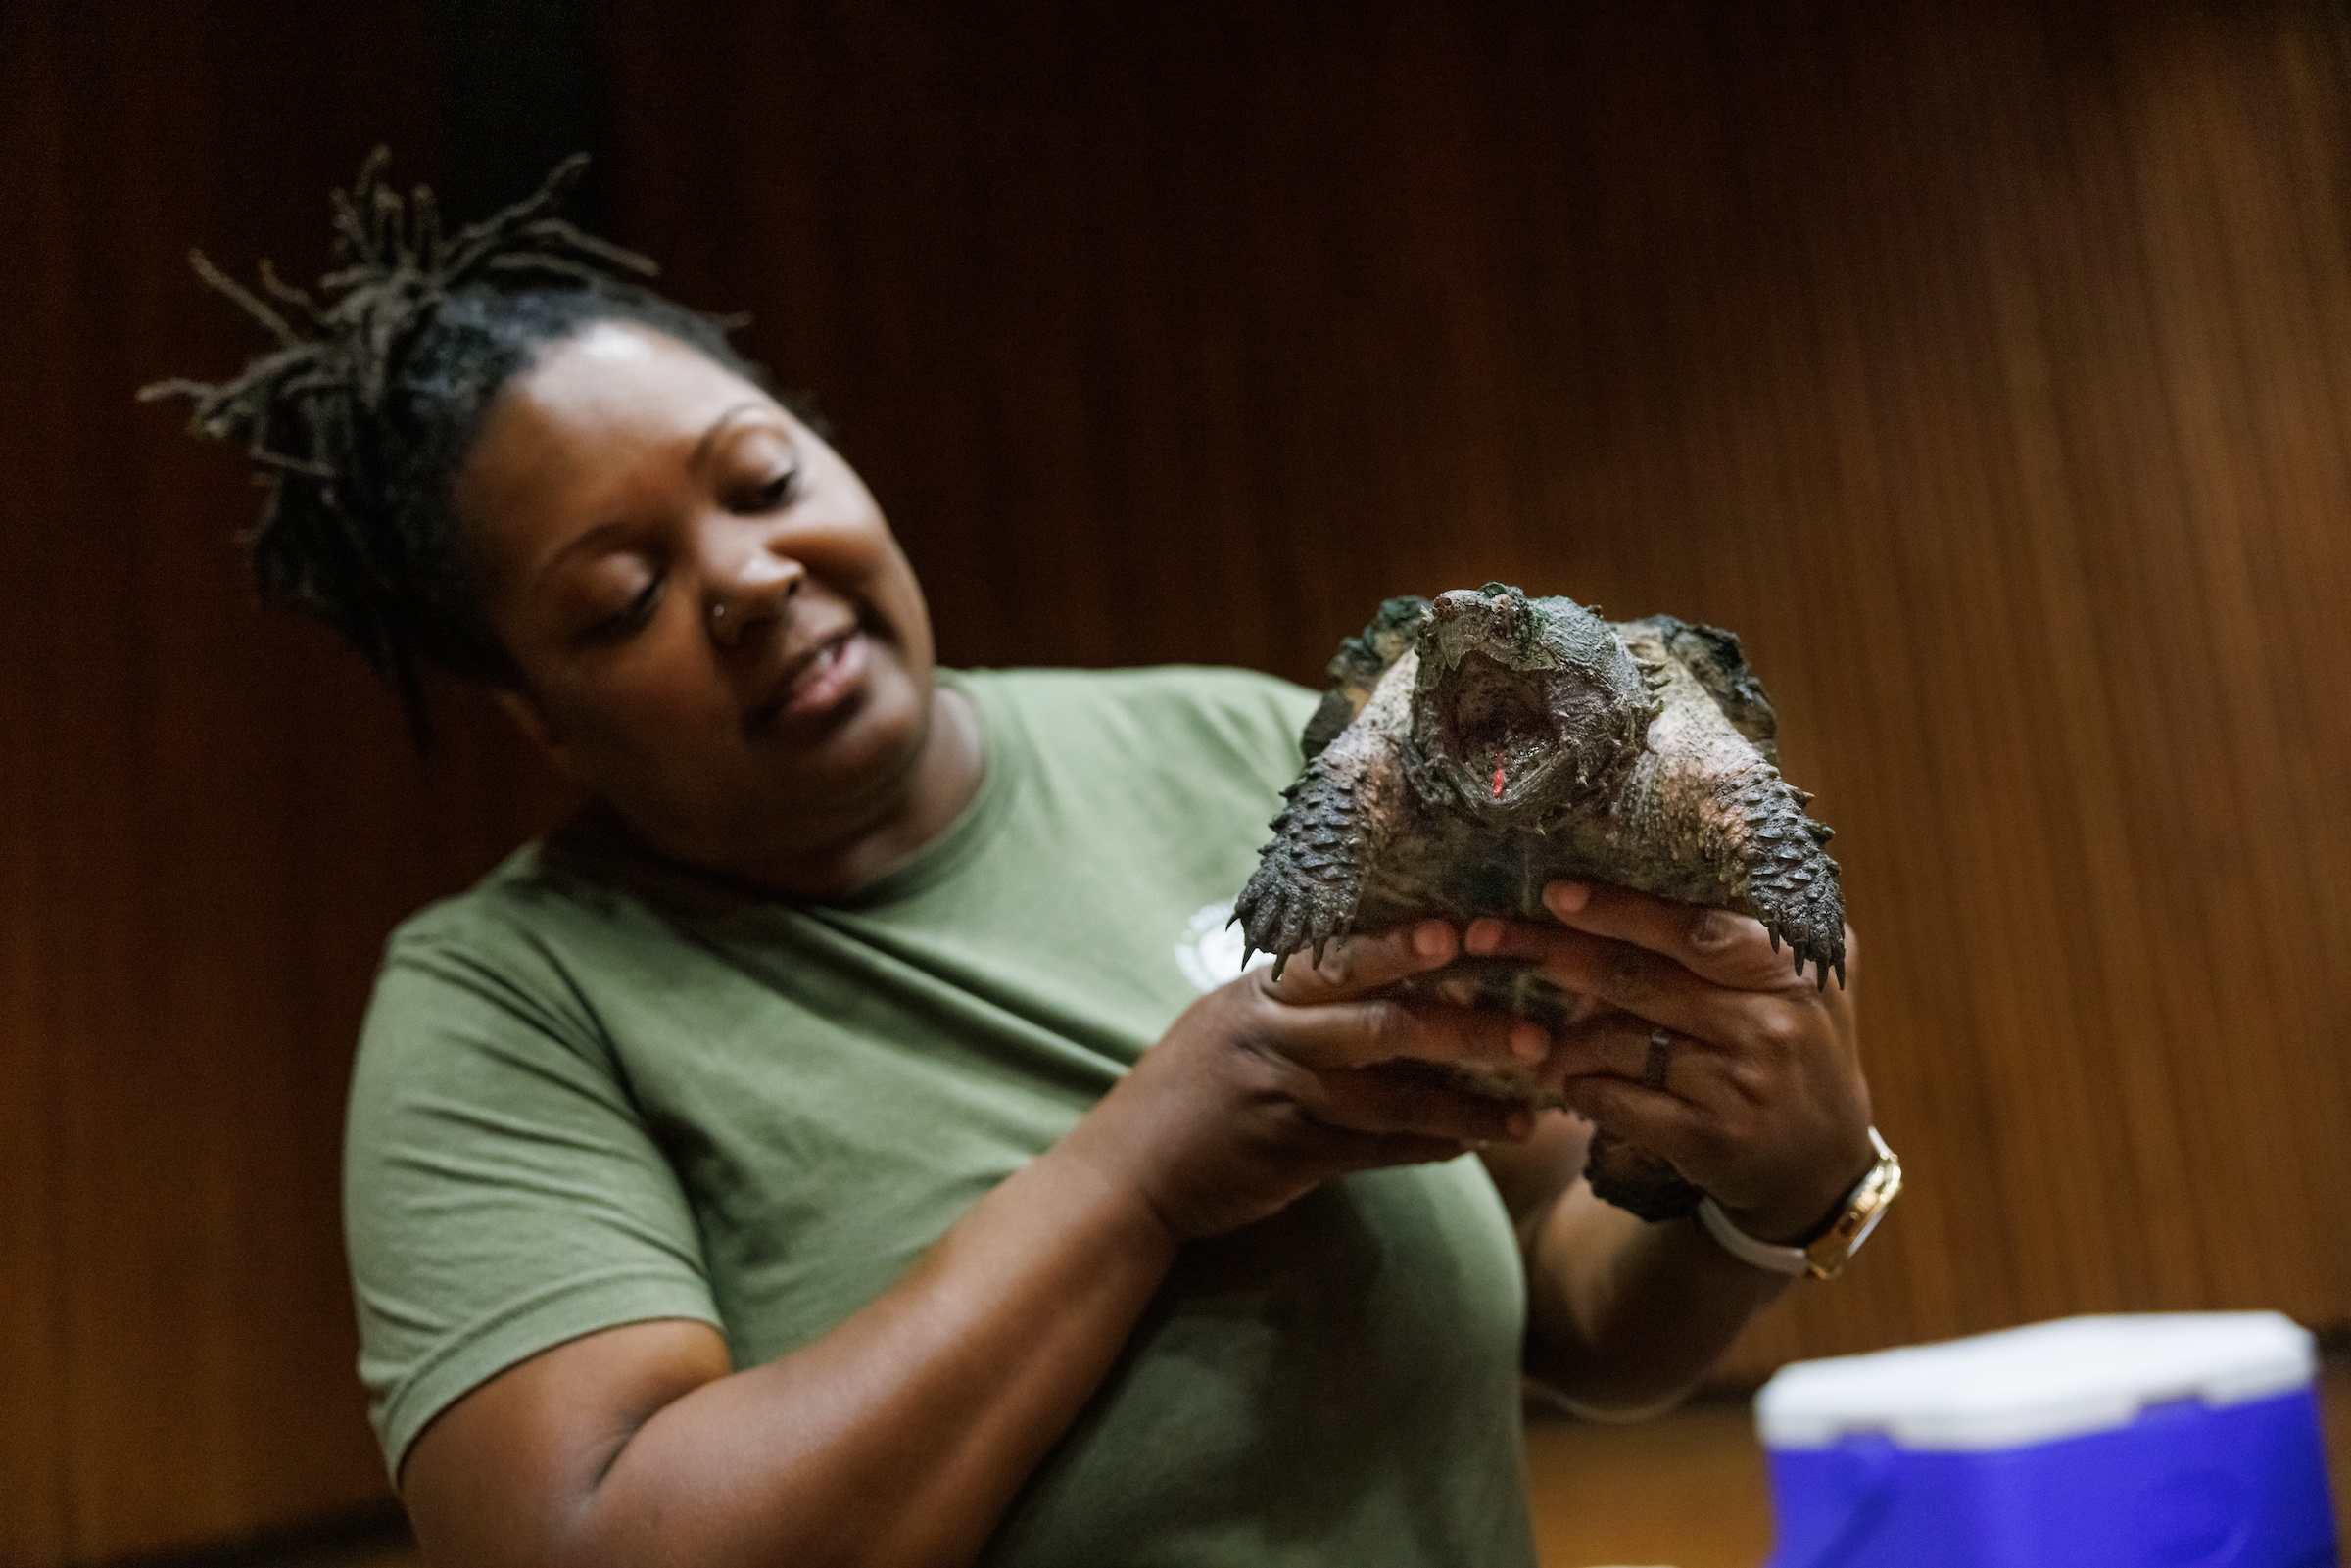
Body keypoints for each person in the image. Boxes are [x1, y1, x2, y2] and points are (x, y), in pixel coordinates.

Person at [153, 154, 1886, 1568]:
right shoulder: (510, 1004)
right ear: (540, 716)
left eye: (759, 478)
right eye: (622, 599)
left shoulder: (1235, 744)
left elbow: (1571, 1311)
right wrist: (1138, 1178)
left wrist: (1770, 1190)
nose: (748, 577)